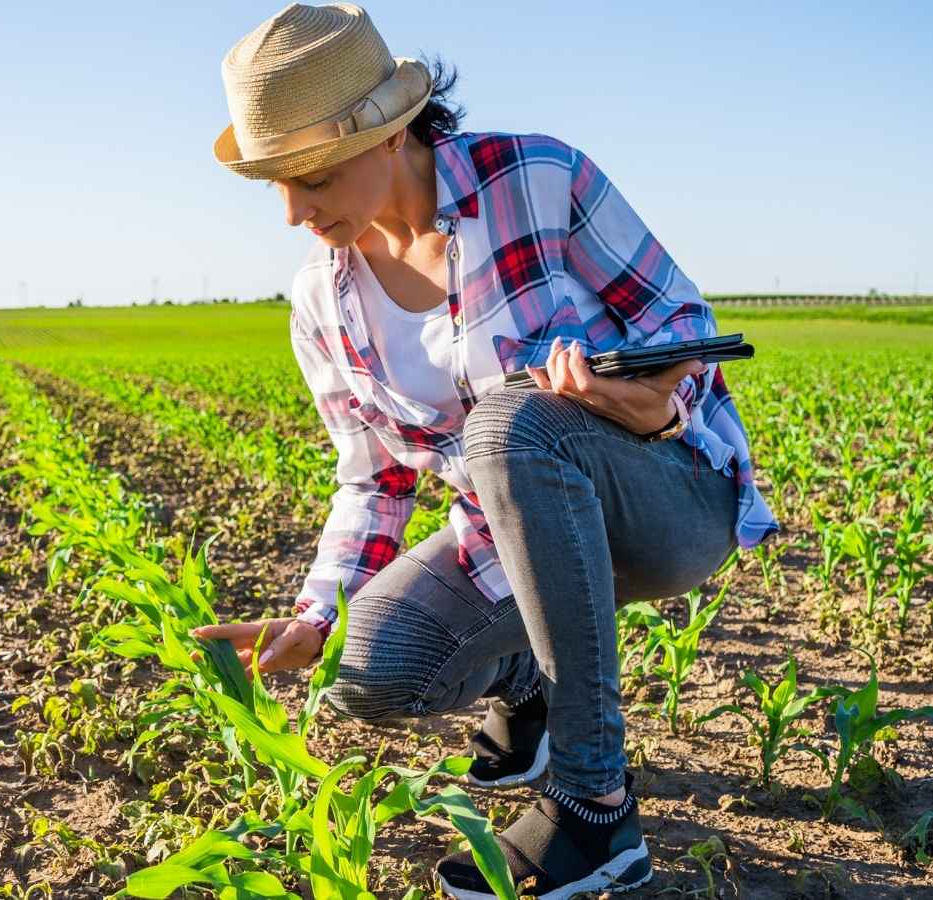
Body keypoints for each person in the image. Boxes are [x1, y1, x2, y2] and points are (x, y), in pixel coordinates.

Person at [192, 3, 779, 896]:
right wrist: (317, 616)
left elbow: (684, 324)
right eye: (273, 181)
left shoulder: (539, 179)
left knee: (511, 422)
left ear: (389, 134)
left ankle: (594, 808)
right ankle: (530, 687)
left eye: (309, 174)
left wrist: (648, 401)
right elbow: (376, 477)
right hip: (508, 537)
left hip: (664, 493)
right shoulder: (323, 301)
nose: (292, 211)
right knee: (359, 672)